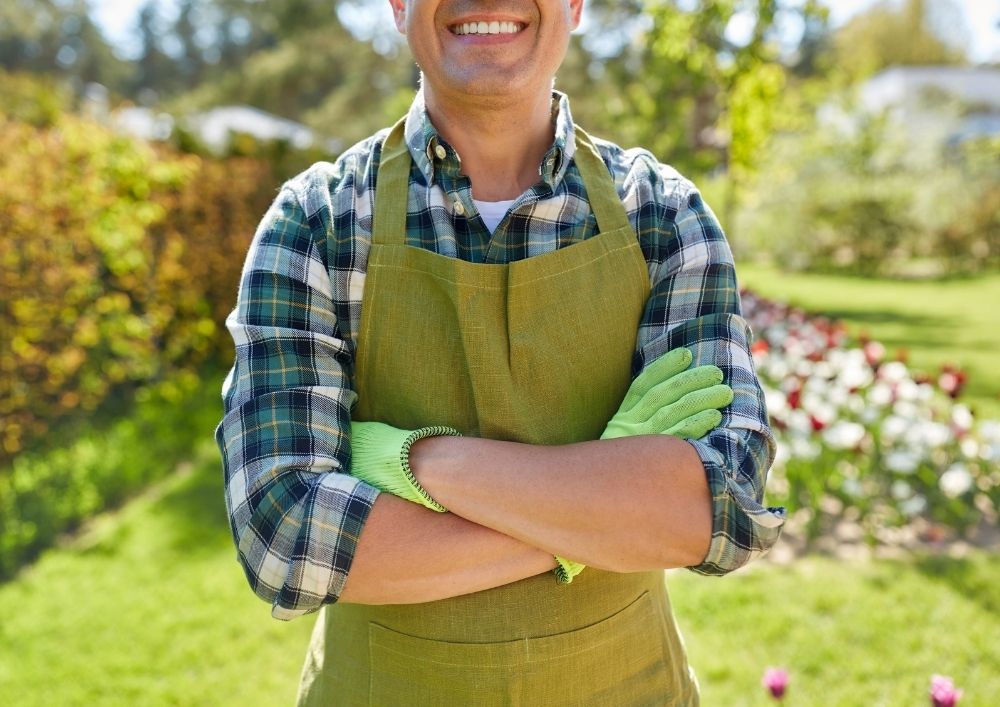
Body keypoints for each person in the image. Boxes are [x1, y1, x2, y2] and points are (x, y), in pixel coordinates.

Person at [215, 1, 786, 704]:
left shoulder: (663, 216)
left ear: (575, 5)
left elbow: (723, 506)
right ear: (397, 5)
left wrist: (418, 463)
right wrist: (603, 507)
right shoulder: (317, 225)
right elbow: (287, 537)